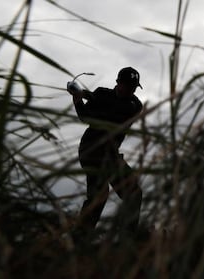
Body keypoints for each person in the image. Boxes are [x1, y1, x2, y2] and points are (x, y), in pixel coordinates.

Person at [67, 67, 143, 236]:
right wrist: (78, 99)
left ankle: (127, 239)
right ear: (118, 83)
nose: (130, 90)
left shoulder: (134, 106)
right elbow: (85, 117)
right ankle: (79, 239)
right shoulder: (101, 93)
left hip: (110, 155)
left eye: (133, 87)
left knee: (134, 193)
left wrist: (85, 97)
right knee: (98, 196)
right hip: (91, 151)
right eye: (127, 86)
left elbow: (110, 115)